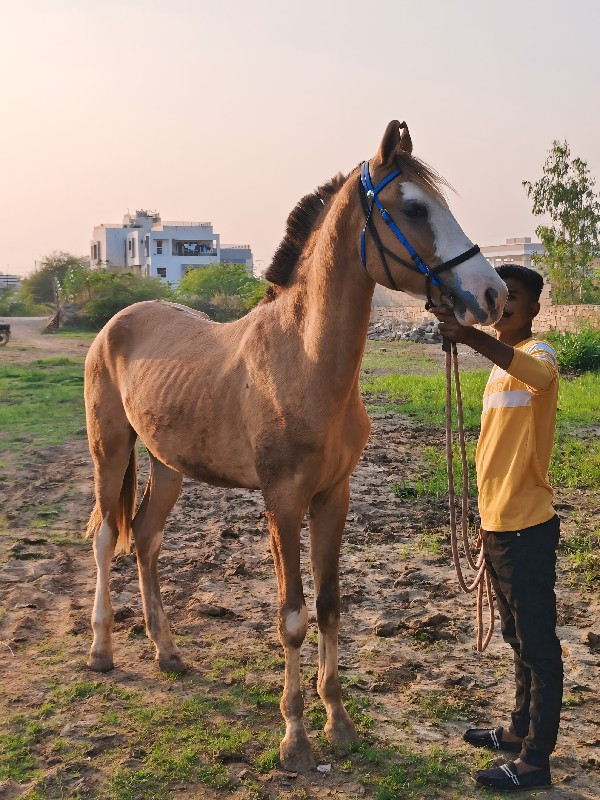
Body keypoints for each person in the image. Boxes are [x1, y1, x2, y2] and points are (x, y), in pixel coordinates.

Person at [431, 265, 562, 792]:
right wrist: (455, 318)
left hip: (527, 526)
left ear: (533, 309)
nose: (505, 304)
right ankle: (518, 730)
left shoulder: (539, 355)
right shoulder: (498, 369)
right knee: (517, 638)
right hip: (499, 525)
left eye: (516, 299)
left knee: (539, 647)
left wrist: (469, 336)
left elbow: (537, 376)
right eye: (500, 296)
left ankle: (536, 760)